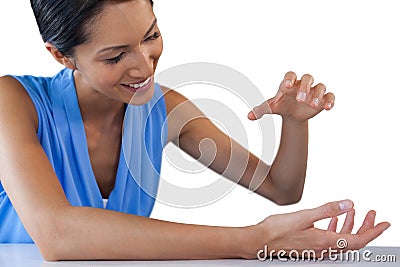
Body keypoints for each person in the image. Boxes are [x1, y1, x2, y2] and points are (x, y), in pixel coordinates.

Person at [0, 0, 390, 261]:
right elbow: (56, 236)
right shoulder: (12, 100)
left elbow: (280, 188)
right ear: (60, 54)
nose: (144, 66)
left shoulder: (164, 109)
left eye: (150, 36)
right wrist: (253, 240)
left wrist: (295, 124)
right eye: (116, 56)